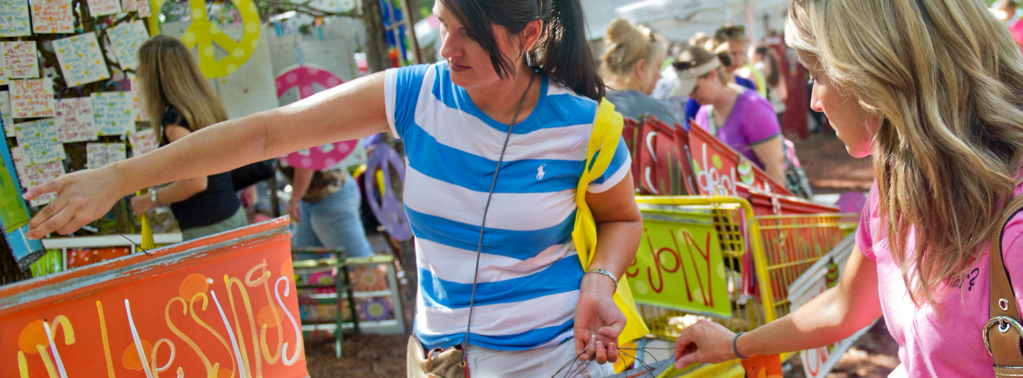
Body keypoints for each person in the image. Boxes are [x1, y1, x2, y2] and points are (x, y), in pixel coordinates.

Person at [25, 0, 641, 375]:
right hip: (439, 359)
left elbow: (621, 219)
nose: (445, 48)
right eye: (442, 24)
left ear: (529, 34)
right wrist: (119, 176)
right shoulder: (413, 93)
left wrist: (599, 280)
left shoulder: (583, 126)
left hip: (556, 358)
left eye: (466, 34)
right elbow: (269, 132)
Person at [672, 0, 1023, 376]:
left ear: (875, 73)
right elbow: (844, 307)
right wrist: (735, 344)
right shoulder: (899, 184)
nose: (814, 99)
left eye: (817, 74)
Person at [127, 36, 248, 241]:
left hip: (209, 225)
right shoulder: (206, 106)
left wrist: (151, 199)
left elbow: (195, 182)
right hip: (231, 212)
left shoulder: (174, 121)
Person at [673, 46, 788, 188]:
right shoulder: (703, 113)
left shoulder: (753, 107)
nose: (691, 95)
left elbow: (775, 172)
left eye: (695, 88)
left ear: (712, 75)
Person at [600, 18, 681, 126]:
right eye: (658, 66)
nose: (660, 76)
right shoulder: (657, 113)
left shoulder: (589, 102)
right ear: (641, 67)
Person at [283, 165, 374, 259]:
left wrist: (295, 200)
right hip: (307, 197)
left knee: (358, 263)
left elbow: (305, 161)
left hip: (332, 192)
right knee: (308, 263)